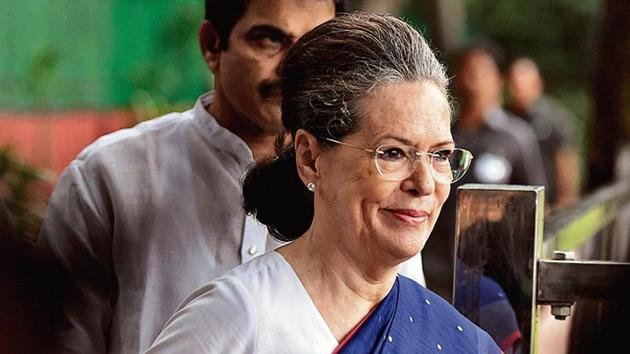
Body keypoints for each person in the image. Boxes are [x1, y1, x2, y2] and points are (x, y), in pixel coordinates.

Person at [146, 13, 500, 353]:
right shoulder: (237, 318)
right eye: (392, 153)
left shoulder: (455, 338)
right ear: (310, 159)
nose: (424, 184)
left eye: (440, 155)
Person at [36, 1, 355, 353]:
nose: (294, 68)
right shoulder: (109, 175)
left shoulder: (362, 184)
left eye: (313, 47)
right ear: (212, 45)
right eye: (269, 40)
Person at [423, 44, 548, 300]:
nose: (472, 81)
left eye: (481, 72)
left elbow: (535, 203)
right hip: (436, 269)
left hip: (493, 273)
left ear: (498, 79)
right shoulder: (440, 134)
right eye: (466, 72)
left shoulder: (516, 137)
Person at [506, 57, 580, 210]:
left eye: (522, 85)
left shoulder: (554, 118)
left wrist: (565, 199)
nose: (517, 91)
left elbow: (566, 158)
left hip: (550, 201)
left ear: (537, 84)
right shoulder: (504, 117)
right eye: (514, 85)